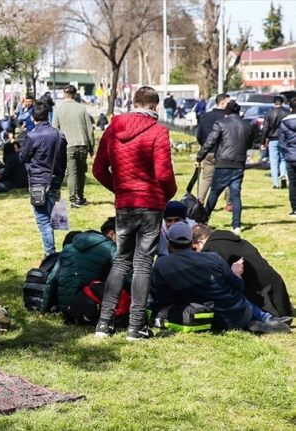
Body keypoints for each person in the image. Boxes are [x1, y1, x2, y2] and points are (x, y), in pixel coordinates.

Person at [93, 86, 177, 340]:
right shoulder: (158, 131)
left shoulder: (113, 127)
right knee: (142, 264)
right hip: (150, 204)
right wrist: (167, 195)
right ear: (154, 106)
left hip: (125, 204)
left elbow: (98, 169)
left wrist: (120, 189)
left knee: (121, 260)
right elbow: (163, 174)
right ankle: (136, 325)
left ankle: (104, 323)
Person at [151, 223, 291, 334]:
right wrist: (235, 273)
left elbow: (163, 297)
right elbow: (238, 287)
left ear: (169, 243)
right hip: (240, 310)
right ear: (191, 242)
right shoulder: (214, 257)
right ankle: (266, 318)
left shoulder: (161, 265)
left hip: (210, 318)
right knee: (233, 295)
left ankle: (254, 324)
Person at [193, 224, 293, 318]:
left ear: (200, 242)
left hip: (262, 301)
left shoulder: (211, 250)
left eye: (195, 249)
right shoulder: (235, 240)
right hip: (279, 294)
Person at [196, 100, 255, 234]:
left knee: (214, 193)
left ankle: (204, 220)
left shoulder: (221, 124)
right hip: (239, 163)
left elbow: (210, 141)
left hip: (223, 162)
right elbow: (250, 143)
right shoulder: (246, 125)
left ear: (226, 112)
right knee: (236, 195)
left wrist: (200, 156)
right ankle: (236, 225)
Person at [19, 101, 68, 257]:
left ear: (33, 118)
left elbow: (23, 157)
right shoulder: (60, 135)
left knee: (43, 220)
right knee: (52, 218)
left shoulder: (32, 136)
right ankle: (52, 252)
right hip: (54, 180)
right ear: (48, 116)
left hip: (38, 181)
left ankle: (50, 255)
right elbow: (64, 161)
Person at [45, 217, 117, 314]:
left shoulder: (68, 248)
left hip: (65, 307)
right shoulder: (111, 247)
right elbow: (125, 272)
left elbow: (52, 280)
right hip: (88, 306)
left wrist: (44, 309)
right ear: (112, 234)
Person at [52, 85, 94, 207]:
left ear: (64, 94)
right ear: (75, 94)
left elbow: (55, 130)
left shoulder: (58, 109)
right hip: (82, 144)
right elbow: (89, 129)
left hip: (68, 145)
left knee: (71, 173)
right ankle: (80, 196)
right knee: (81, 172)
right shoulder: (82, 109)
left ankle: (72, 197)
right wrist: (91, 147)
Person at [196, 93, 231, 205]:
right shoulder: (227, 118)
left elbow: (199, 135)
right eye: (229, 102)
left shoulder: (204, 116)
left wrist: (205, 146)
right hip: (224, 152)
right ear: (222, 103)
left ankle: (200, 200)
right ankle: (229, 202)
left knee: (206, 178)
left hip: (208, 151)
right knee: (228, 177)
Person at [261, 95, 288, 189]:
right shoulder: (286, 113)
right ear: (282, 102)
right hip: (284, 139)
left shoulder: (269, 113)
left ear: (273, 103)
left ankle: (275, 183)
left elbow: (265, 128)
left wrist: (263, 142)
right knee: (283, 159)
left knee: (274, 161)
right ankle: (283, 175)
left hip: (272, 139)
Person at [279, 97, 296, 216]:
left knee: (293, 184)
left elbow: (282, 142)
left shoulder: (284, 123)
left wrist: (287, 152)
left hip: (290, 156)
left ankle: (294, 208)